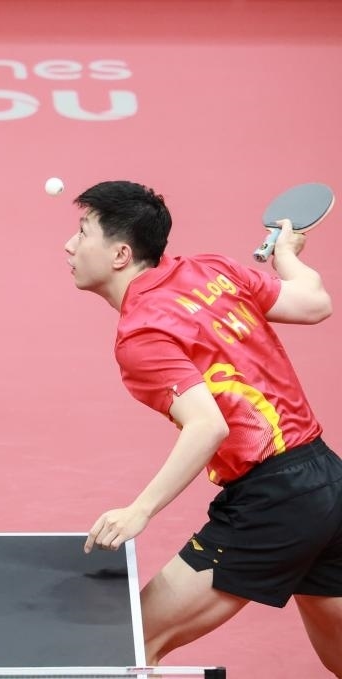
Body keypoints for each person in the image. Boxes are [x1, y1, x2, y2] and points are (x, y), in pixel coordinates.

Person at [63, 180, 342, 675]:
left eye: (83, 233)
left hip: (273, 501)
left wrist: (139, 510)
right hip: (326, 480)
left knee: (130, 645)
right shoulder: (211, 270)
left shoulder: (141, 333)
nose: (70, 245)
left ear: (121, 254)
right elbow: (314, 302)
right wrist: (286, 257)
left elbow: (207, 426)